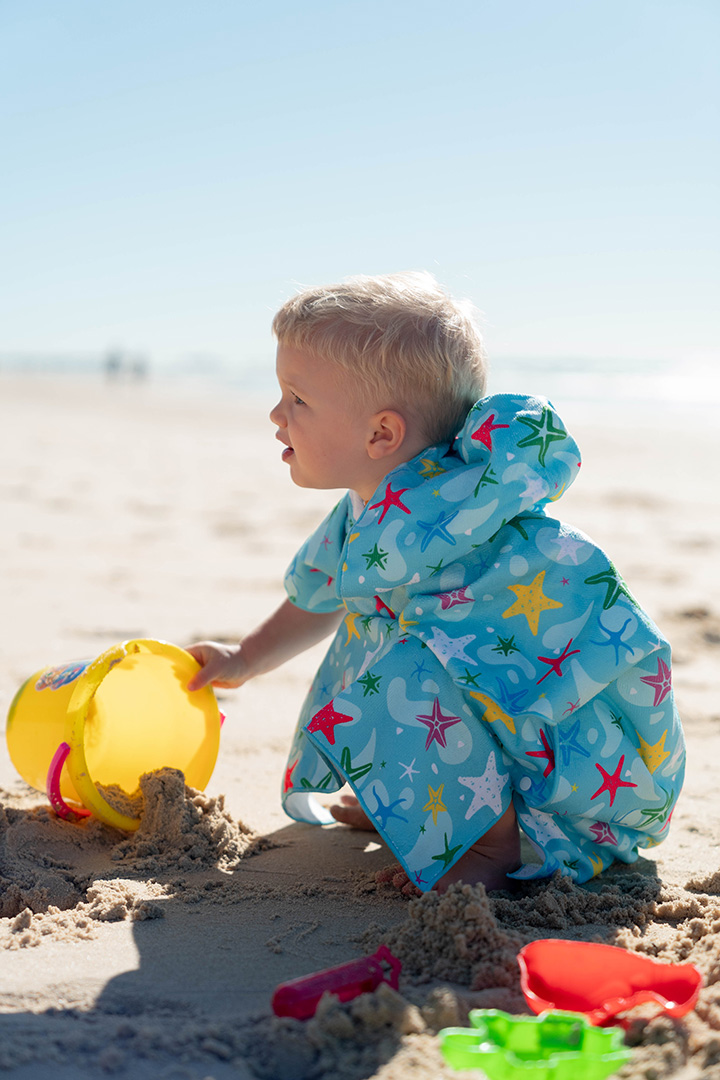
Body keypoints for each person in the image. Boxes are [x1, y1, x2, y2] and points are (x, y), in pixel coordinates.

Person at [187, 271, 685, 893]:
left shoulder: (461, 518)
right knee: (387, 660)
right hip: (485, 745)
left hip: (558, 787)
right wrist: (246, 657)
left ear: (381, 434)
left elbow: (521, 671)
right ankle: (436, 807)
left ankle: (486, 850)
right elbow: (320, 595)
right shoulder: (368, 510)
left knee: (407, 669)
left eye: (297, 399)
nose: (276, 414)